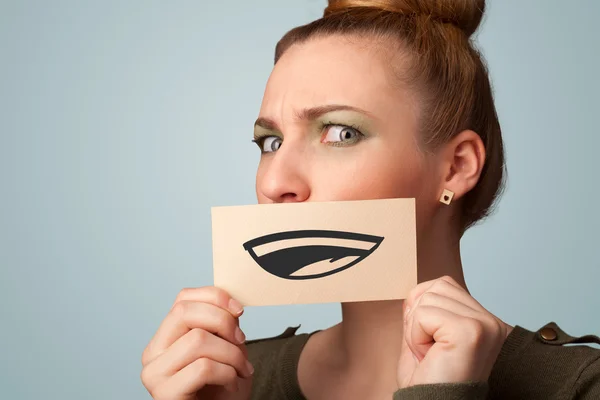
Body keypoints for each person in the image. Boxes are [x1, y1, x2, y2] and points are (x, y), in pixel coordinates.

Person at [140, 1, 600, 399]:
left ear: (456, 166)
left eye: (341, 133)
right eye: (271, 142)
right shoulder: (232, 380)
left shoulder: (578, 386)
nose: (276, 181)